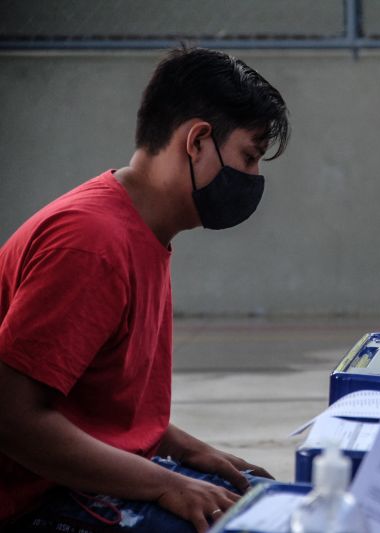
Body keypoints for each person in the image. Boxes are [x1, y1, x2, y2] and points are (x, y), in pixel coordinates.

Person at [0, 47, 290, 532]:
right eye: (249, 157)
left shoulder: (140, 231)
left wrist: (190, 451)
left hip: (82, 482)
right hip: (38, 501)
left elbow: (97, 408)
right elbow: (11, 417)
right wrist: (167, 483)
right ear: (197, 140)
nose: (254, 178)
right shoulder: (92, 243)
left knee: (277, 502)